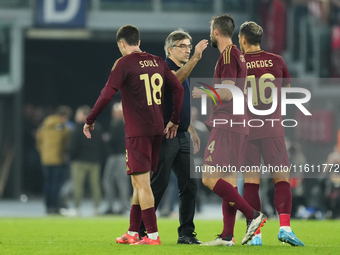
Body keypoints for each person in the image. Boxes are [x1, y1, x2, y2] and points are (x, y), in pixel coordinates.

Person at [83, 25, 184, 245]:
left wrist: (90, 119)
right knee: (140, 183)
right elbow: (178, 88)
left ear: (121, 43)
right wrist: (174, 119)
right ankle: (132, 232)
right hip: (157, 130)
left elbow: (107, 93)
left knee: (142, 184)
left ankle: (153, 236)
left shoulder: (124, 63)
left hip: (138, 131)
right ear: (138, 41)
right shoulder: (158, 61)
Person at [192, 14, 267, 246]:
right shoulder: (238, 55)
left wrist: (203, 92)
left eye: (210, 30)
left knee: (208, 178)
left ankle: (253, 215)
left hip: (227, 123)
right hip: (239, 124)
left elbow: (228, 92)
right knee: (229, 182)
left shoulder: (227, 55)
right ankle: (227, 236)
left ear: (216, 32)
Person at [238, 21, 305, 246]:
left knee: (251, 182)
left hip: (247, 131)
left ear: (243, 39)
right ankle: (285, 227)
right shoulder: (277, 61)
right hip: (272, 129)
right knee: (281, 179)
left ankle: (255, 234)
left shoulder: (237, 63)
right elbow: (285, 94)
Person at [138, 29, 208, 244]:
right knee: (158, 184)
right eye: (184, 46)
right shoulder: (163, 68)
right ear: (170, 49)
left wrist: (192, 129)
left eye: (190, 46)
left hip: (182, 135)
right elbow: (174, 82)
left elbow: (183, 104)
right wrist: (196, 57)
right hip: (166, 135)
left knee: (190, 185)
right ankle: (141, 231)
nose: (188, 49)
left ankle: (186, 233)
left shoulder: (181, 69)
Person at [69, 105, 105, 216]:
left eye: (78, 114)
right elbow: (102, 146)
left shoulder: (78, 128)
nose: (76, 116)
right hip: (94, 161)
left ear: (85, 116)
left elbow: (74, 146)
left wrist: (72, 157)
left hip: (79, 161)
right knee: (95, 185)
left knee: (78, 185)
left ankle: (76, 208)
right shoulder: (97, 128)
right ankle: (97, 208)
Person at [36, 105, 71, 214]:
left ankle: (48, 206)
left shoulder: (45, 125)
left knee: (47, 183)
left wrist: (43, 152)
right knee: (56, 184)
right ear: (64, 116)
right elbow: (67, 143)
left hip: (45, 159)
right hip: (57, 159)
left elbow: (39, 140)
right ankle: (54, 207)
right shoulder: (63, 128)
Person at [102, 102, 131, 215]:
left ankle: (123, 206)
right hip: (114, 156)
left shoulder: (121, 124)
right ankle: (111, 206)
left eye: (116, 112)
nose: (114, 114)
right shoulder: (116, 123)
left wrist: (107, 139)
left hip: (121, 156)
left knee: (121, 182)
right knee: (109, 181)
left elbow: (114, 140)